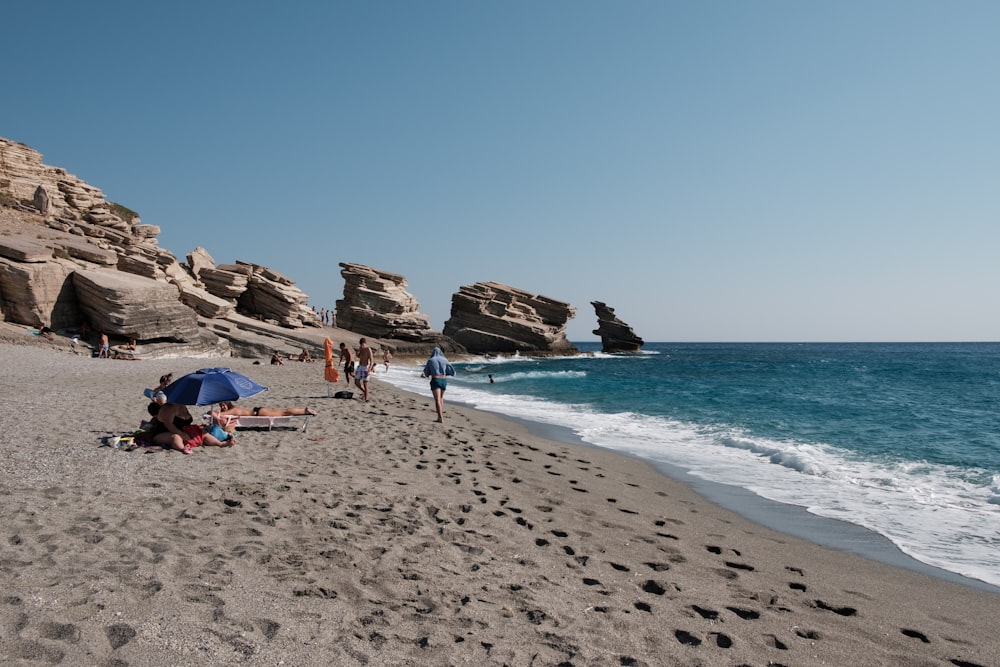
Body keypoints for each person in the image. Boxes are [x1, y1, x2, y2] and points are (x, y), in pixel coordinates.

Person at [146, 402, 234, 454]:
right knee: (176, 437)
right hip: (163, 433)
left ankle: (221, 444)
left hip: (182, 431)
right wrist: (182, 434)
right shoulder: (168, 408)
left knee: (202, 432)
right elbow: (168, 425)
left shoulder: (182, 406)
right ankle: (183, 449)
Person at [421, 347, 456, 422]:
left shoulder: (431, 360)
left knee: (437, 400)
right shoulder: (445, 360)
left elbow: (426, 373)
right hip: (444, 380)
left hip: (435, 380)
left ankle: (440, 418)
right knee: (441, 398)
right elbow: (452, 371)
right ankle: (440, 416)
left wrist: (424, 375)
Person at [217, 401, 317, 417]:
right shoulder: (232, 409)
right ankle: (304, 410)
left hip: (259, 413)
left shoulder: (233, 410)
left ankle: (304, 411)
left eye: (224, 405)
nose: (222, 407)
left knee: (284, 412)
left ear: (228, 404)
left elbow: (220, 415)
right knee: (283, 412)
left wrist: (212, 412)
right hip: (259, 411)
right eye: (221, 405)